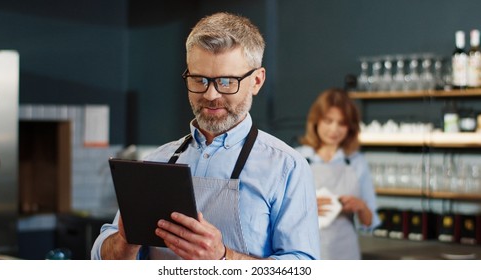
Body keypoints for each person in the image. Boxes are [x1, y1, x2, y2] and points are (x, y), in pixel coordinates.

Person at [91, 12, 319, 260]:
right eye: (199, 79)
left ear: (256, 81)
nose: (210, 95)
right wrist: (125, 241)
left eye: (226, 81)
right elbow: (100, 259)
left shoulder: (287, 167)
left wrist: (223, 258)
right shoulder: (156, 161)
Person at [295, 88, 380, 260]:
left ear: (350, 128)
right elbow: (275, 214)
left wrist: (361, 207)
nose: (334, 129)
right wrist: (304, 208)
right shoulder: (297, 158)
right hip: (303, 253)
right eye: (328, 121)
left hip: (345, 253)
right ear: (316, 121)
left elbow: (370, 222)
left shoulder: (357, 162)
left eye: (342, 123)